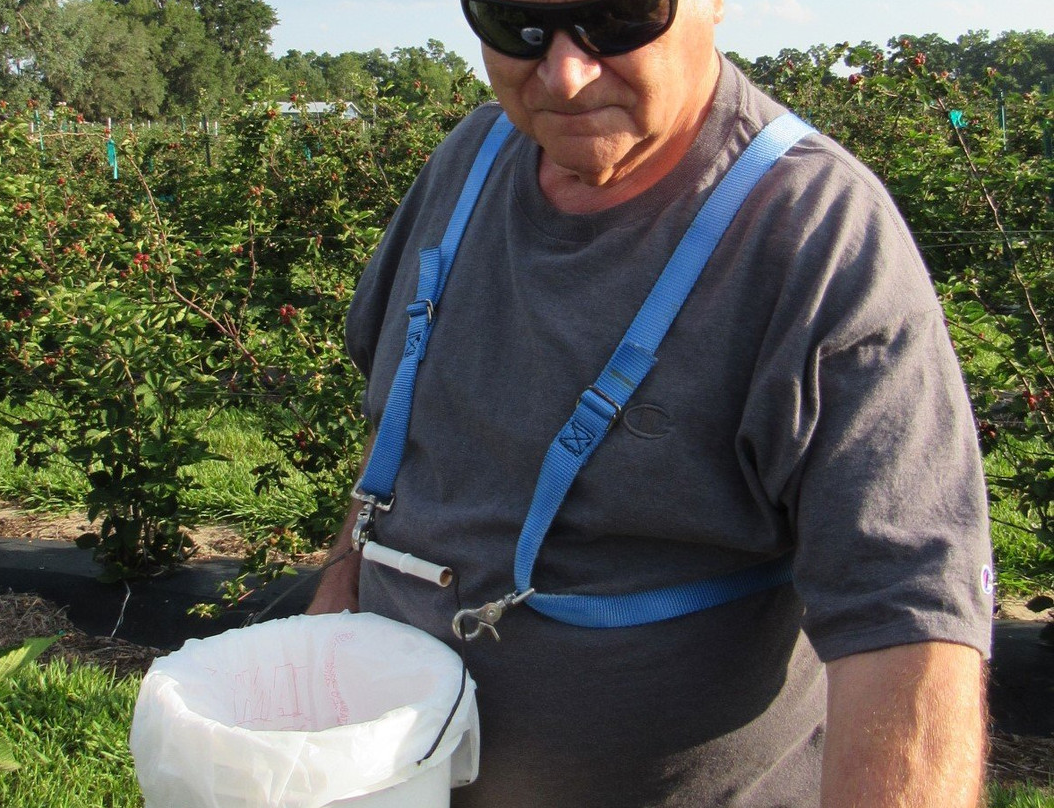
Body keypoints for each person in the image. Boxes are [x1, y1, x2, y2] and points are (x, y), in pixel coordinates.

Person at [307, 0, 994, 805]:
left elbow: (908, 629)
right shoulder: (470, 161)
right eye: (516, 18)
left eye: (617, 15)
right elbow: (404, 424)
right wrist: (337, 598)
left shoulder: (816, 235)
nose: (565, 75)